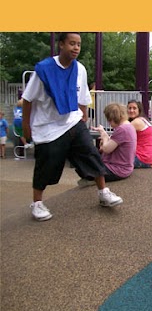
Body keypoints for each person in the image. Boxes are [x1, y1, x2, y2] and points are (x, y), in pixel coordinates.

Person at [21, 32, 123, 220]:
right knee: (46, 165)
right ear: (61, 45)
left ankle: (103, 193)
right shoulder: (43, 70)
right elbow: (27, 99)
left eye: (78, 44)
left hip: (72, 120)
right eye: (71, 43)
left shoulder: (80, 69)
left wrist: (83, 115)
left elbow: (83, 96)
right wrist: (26, 126)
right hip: (48, 127)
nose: (76, 48)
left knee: (91, 155)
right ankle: (37, 203)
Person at [80, 103, 137, 184]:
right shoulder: (129, 126)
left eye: (109, 120)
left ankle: (94, 179)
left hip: (117, 170)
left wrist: (104, 136)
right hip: (125, 167)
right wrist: (103, 133)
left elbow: (106, 149)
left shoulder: (122, 129)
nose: (109, 123)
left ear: (113, 118)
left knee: (84, 165)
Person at [126, 100, 152, 168]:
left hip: (141, 158)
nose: (131, 110)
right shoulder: (143, 120)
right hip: (148, 158)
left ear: (139, 110)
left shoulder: (137, 122)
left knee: (114, 162)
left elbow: (121, 135)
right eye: (129, 108)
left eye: (134, 108)